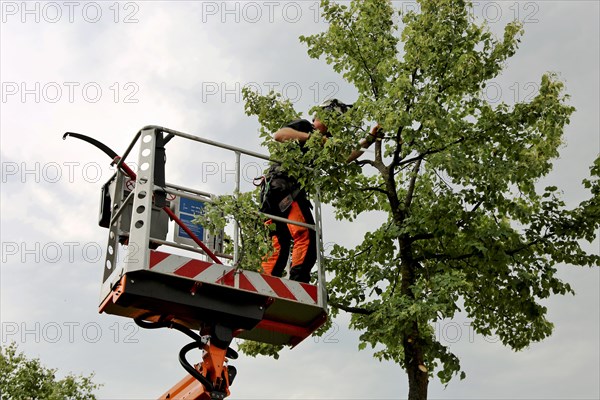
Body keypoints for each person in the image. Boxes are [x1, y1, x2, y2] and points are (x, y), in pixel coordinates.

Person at [258, 99, 381, 283]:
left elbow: (345, 157)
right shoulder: (305, 126)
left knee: (279, 244)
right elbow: (279, 135)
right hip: (283, 187)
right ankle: (299, 284)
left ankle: (263, 284)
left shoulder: (326, 143)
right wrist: (312, 138)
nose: (333, 126)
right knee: (306, 235)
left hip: (277, 194)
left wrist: (370, 139)